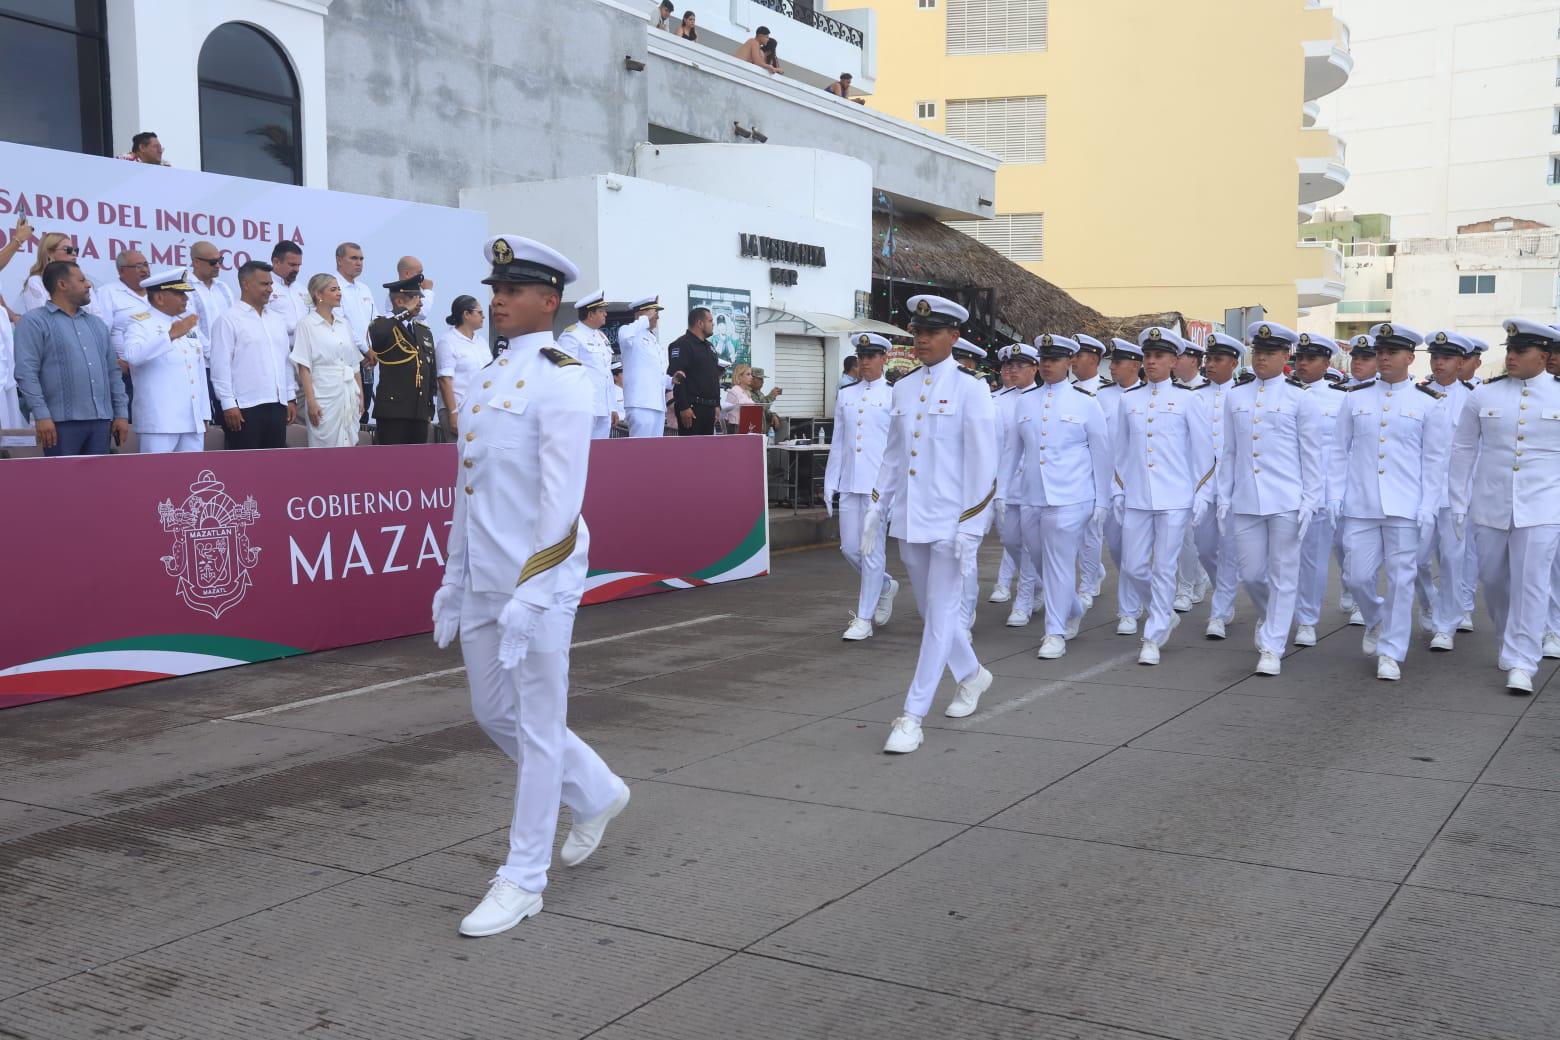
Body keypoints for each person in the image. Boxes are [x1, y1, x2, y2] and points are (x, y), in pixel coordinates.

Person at [431, 233, 629, 937]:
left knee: (539, 728)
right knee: (492, 714)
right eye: (495, 289)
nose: (498, 301)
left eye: (512, 291)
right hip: (485, 573)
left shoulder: (568, 376)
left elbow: (561, 501)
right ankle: (598, 791)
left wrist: (534, 591)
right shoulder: (483, 380)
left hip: (536, 583)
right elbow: (468, 489)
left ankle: (522, 878)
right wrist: (453, 578)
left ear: (549, 300)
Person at [863, 295, 997, 754]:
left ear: (954, 336)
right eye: (917, 331)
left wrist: (971, 527)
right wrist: (877, 508)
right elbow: (894, 459)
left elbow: (984, 466)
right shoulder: (901, 389)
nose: (921, 339)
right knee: (929, 611)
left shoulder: (972, 389)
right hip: (910, 520)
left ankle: (912, 714)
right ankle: (973, 676)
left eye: (932, 331)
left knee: (939, 616)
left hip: (949, 523)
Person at [1329, 322, 1451, 682]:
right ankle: (1376, 619)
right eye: (1380, 351)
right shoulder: (1355, 397)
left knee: (1401, 580)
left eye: (1391, 352)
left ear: (1410, 358)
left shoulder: (1428, 403)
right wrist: (1334, 495)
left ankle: (1391, 651)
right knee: (1357, 576)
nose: (1383, 357)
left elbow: (1434, 462)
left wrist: (1428, 506)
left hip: (1406, 506)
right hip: (1361, 504)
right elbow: (1339, 452)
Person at [1448, 318, 1560, 694]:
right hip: (1491, 502)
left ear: (1543, 356)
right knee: (1494, 580)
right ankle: (1506, 639)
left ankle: (1522, 661)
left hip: (1543, 505)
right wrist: (1458, 502)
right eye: (1509, 350)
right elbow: (1463, 449)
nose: (1510, 357)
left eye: (1520, 351)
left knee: (1532, 583)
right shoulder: (1484, 394)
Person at [1213, 322, 1324, 677]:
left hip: (1286, 499)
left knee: (1283, 574)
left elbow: (1312, 455)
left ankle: (1274, 645)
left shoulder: (1300, 399)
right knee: (1252, 573)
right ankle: (1271, 615)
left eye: (1269, 353)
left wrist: (1310, 500)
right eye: (1257, 352)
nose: (1261, 358)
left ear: (1285, 356)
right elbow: (1229, 452)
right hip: (1246, 499)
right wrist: (1224, 495)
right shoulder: (1236, 396)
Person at [1112, 327, 1215, 666]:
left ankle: (1153, 634)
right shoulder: (1129, 400)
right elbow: (1120, 452)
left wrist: (1201, 494)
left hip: (1175, 497)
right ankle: (1163, 612)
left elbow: (1204, 453)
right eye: (1148, 356)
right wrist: (1117, 490)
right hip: (1138, 495)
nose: (1152, 361)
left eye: (1159, 356)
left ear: (1174, 360)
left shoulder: (1190, 400)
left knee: (1164, 568)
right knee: (1134, 566)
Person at [1006, 335, 1111, 659]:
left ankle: (1054, 632)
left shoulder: (1086, 402)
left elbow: (1101, 455)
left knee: (1058, 563)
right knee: (1037, 558)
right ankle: (1073, 606)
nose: (1048, 365)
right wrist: (999, 492)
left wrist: (1103, 501)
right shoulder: (1025, 401)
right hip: (1032, 496)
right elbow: (1013, 451)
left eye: (1055, 359)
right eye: (1044, 359)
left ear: (1068, 362)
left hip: (1072, 497)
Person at [824, 333, 900, 641]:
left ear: (884, 359)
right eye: (862, 356)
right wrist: (830, 483)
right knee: (849, 548)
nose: (865, 361)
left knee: (870, 551)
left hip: (877, 487)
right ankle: (884, 586)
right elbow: (838, 442)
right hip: (850, 481)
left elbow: (897, 447)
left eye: (871, 356)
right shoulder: (846, 394)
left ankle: (864, 618)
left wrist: (893, 490)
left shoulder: (895, 395)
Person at [13, 261, 128, 455]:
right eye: (82, 280)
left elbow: (113, 373)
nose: (88, 285)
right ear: (62, 285)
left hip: (101, 422)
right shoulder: (34, 322)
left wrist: (121, 415)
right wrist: (42, 416)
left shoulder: (97, 324)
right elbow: (26, 373)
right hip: (58, 424)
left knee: (97, 484)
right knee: (61, 484)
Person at [1410, 330, 1477, 651]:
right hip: (1422, 493)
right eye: (1435, 357)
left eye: (1446, 357)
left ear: (1461, 362)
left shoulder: (1474, 398)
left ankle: (1445, 625)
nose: (1438, 363)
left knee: (1452, 561)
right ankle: (1429, 601)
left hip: (1456, 496)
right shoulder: (1417, 395)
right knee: (1417, 560)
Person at [1289, 331, 1348, 647]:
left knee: (1312, 560)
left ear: (1327, 362)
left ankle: (1307, 620)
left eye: (1310, 358)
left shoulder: (1341, 400)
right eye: (1299, 357)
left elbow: (1344, 450)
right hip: (1284, 491)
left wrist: (1339, 492)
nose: (1302, 364)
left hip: (1321, 493)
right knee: (1276, 561)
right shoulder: (1282, 394)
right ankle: (1275, 613)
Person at [1191, 332, 1244, 640]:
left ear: (1234, 363)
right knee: (1206, 546)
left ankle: (1220, 611)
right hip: (1203, 484)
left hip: (1236, 485)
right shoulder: (1194, 396)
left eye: (1217, 359)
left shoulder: (1242, 395)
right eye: (1209, 359)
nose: (1210, 365)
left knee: (1230, 550)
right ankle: (1222, 589)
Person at [122, 268, 209, 454]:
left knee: (191, 478)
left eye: (185, 293)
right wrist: (169, 336)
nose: (185, 298)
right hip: (160, 422)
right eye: (179, 293)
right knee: (156, 479)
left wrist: (203, 413)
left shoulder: (186, 323)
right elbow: (132, 356)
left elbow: (198, 371)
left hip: (192, 420)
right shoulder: (139, 323)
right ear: (160, 297)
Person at [210, 260, 294, 450]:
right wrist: (228, 403)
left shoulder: (276, 319)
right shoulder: (228, 319)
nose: (270, 289)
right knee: (244, 470)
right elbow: (220, 365)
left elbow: (285, 361)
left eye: (271, 284)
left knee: (274, 466)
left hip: (277, 404)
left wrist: (289, 397)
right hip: (244, 407)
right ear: (246, 284)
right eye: (264, 284)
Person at [988, 344, 1040, 625]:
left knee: (1031, 544)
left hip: (1034, 485)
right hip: (1005, 484)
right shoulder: (997, 401)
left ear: (1034, 368)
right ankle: (1038, 583)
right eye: (1009, 366)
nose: (1012, 370)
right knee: (1010, 541)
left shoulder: (1043, 399)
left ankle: (1024, 597)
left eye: (1020, 365)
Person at [290, 273, 364, 448]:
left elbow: (354, 363)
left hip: (347, 391)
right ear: (318, 294)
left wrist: (360, 395)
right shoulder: (306, 324)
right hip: (323, 392)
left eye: (339, 289)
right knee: (324, 442)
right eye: (333, 289)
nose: (339, 293)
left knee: (349, 439)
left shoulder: (344, 324)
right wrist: (311, 401)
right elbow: (304, 367)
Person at [368, 274, 437, 445]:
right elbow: (378, 334)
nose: (420, 303)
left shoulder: (423, 331)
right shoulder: (384, 324)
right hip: (393, 412)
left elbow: (429, 370)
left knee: (417, 466)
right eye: (415, 298)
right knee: (391, 465)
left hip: (419, 413)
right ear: (399, 302)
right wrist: (403, 313)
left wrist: (429, 408)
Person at [555, 291, 614, 439]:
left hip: (603, 406)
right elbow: (566, 373)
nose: (605, 314)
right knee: (581, 453)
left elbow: (607, 374)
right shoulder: (571, 336)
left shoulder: (601, 337)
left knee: (600, 454)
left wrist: (612, 407)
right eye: (601, 311)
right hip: (583, 406)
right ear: (590, 314)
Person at [333, 241, 378, 420]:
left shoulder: (364, 289)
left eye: (361, 259)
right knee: (346, 410)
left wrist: (376, 351)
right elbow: (342, 324)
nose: (359, 263)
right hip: (345, 359)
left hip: (367, 361)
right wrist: (366, 350)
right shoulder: (333, 286)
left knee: (363, 409)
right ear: (339, 260)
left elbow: (376, 322)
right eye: (353, 258)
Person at [435, 294, 489, 439]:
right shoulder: (448, 341)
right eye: (480, 313)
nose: (483, 317)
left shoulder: (481, 341)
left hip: (481, 410)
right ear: (466, 314)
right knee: (460, 457)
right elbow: (444, 380)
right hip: (459, 409)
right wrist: (453, 414)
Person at [619, 295, 669, 437]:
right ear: (642, 313)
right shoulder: (628, 332)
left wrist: (671, 381)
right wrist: (644, 319)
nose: (657, 317)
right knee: (638, 452)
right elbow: (625, 336)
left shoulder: (653, 339)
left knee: (654, 453)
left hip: (657, 405)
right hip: (640, 404)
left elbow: (655, 374)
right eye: (655, 313)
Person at [669, 306, 721, 435]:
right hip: (692, 408)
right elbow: (677, 378)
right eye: (710, 321)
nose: (713, 324)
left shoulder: (709, 347)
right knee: (690, 452)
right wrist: (684, 406)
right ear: (700, 323)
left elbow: (713, 377)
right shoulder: (682, 345)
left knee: (707, 452)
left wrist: (716, 404)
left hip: (709, 408)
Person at [187, 241, 235, 342]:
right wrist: (210, 352)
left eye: (220, 260)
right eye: (213, 262)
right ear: (196, 262)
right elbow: (190, 327)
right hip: (200, 354)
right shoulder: (185, 288)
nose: (218, 266)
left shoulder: (224, 288)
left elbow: (235, 321)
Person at [20, 229, 77, 313]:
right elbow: (42, 320)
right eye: (67, 250)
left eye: (75, 250)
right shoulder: (36, 282)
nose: (74, 253)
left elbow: (98, 319)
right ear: (49, 253)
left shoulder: (81, 283)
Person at [265, 241, 308, 342]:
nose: (297, 269)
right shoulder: (264, 287)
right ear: (276, 262)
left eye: (299, 265)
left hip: (304, 350)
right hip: (277, 347)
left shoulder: (302, 289)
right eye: (292, 265)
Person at [722, 362, 757, 426]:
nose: (751, 377)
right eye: (748, 374)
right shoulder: (734, 391)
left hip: (747, 425)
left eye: (751, 374)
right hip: (735, 426)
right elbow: (725, 412)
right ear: (740, 376)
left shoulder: (747, 392)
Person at [610, 360, 626, 434]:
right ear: (615, 377)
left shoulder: (629, 390)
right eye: (623, 373)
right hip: (618, 429)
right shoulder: (612, 392)